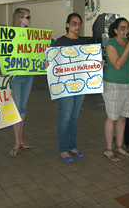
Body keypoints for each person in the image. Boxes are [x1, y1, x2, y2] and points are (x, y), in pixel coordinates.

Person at [54, 13, 88, 162]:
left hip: (80, 84)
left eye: (79, 23)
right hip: (64, 85)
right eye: (74, 23)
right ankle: (62, 148)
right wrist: (48, 63)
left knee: (75, 115)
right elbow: (54, 61)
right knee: (66, 115)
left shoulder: (84, 42)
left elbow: (88, 60)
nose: (77, 26)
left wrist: (98, 64)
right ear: (67, 24)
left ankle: (72, 145)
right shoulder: (60, 41)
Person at [103, 18, 129, 162]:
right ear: (116, 30)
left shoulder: (128, 43)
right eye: (122, 28)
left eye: (127, 27)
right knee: (113, 117)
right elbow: (117, 64)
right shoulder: (111, 44)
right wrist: (128, 48)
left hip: (128, 85)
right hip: (113, 84)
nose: (126, 31)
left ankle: (119, 146)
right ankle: (109, 149)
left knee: (122, 118)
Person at [9, 8, 34, 156]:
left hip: (28, 74)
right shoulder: (9, 36)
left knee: (23, 108)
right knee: (17, 108)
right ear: (19, 19)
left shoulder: (31, 36)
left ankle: (20, 139)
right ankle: (17, 141)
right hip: (16, 76)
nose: (30, 19)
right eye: (27, 17)